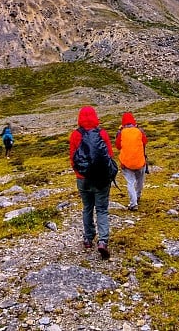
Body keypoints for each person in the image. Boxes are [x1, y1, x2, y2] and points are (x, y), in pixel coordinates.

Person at [69, 106, 114, 259]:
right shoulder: (102, 133)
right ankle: (102, 241)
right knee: (101, 209)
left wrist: (80, 173)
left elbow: (73, 159)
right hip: (101, 179)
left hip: (83, 179)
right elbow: (109, 155)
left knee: (87, 207)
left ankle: (88, 239)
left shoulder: (75, 135)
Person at [114, 112, 148, 211]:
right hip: (140, 162)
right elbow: (145, 142)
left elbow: (118, 146)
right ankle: (138, 196)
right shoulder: (139, 131)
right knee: (140, 181)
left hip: (126, 163)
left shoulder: (121, 132)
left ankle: (133, 203)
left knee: (130, 182)